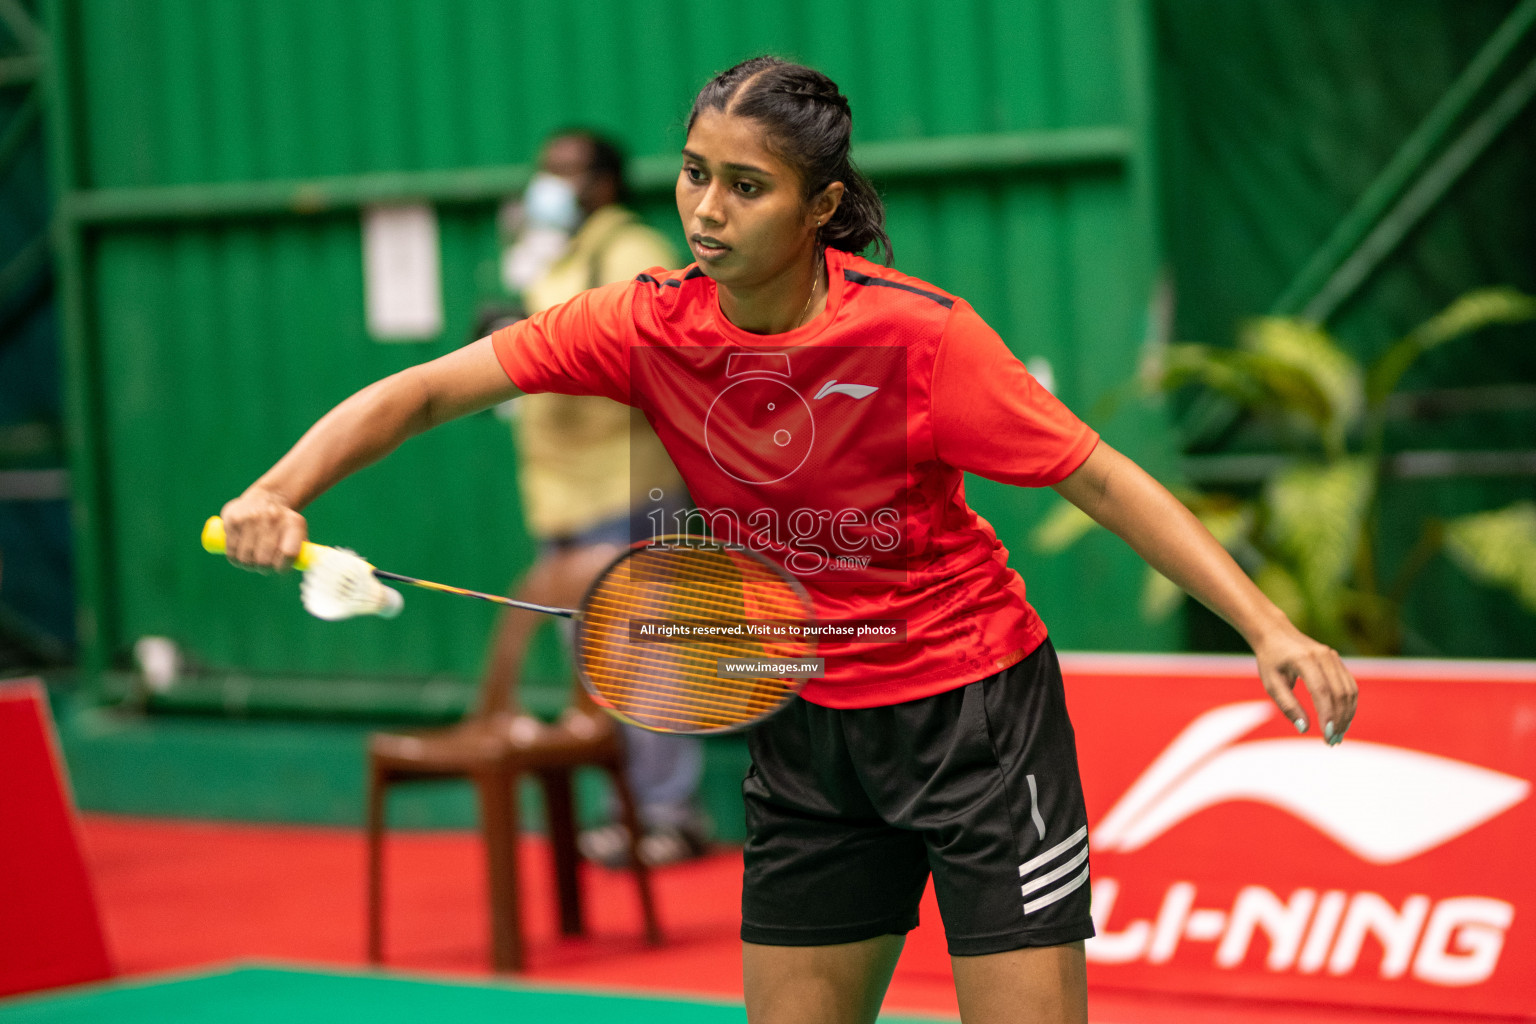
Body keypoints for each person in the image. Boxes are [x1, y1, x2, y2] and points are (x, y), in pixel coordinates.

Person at [218, 57, 1358, 1024]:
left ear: (819, 206)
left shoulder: (920, 340)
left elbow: (1102, 477)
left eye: (747, 187)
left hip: (975, 719)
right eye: (697, 174)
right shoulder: (643, 324)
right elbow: (425, 391)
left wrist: (1266, 625)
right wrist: (279, 488)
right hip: (807, 719)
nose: (706, 209)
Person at [481, 128, 710, 867]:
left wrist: (539, 339)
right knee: (597, 663)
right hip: (561, 496)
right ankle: (630, 811)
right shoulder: (552, 255)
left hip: (625, 487)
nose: (549, 182)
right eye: (544, 168)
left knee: (647, 656)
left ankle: (668, 814)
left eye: (568, 171)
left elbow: (648, 352)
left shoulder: (628, 251)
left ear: (604, 185)